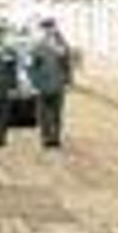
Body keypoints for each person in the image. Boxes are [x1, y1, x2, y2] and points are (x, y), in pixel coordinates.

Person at [29, 20, 72, 149]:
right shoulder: (38, 46)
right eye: (46, 29)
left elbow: (67, 66)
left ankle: (56, 137)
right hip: (43, 85)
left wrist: (68, 81)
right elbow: (32, 68)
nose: (49, 31)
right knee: (43, 114)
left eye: (51, 28)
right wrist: (35, 84)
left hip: (58, 85)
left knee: (57, 113)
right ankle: (46, 137)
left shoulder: (62, 45)